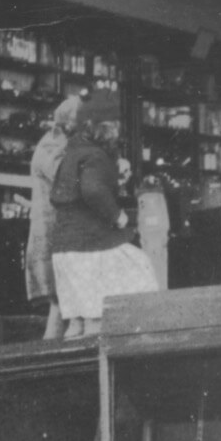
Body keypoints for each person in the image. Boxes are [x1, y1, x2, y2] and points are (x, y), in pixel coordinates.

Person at [49, 90, 158, 337]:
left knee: (76, 325)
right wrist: (118, 216)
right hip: (89, 249)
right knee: (139, 266)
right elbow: (93, 190)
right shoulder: (96, 155)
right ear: (107, 127)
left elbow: (64, 193)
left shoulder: (72, 152)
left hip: (64, 252)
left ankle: (74, 372)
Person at [25, 96, 81, 340]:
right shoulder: (51, 146)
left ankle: (49, 362)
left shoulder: (60, 143)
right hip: (54, 234)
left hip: (60, 232)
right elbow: (67, 179)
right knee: (67, 304)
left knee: (61, 305)